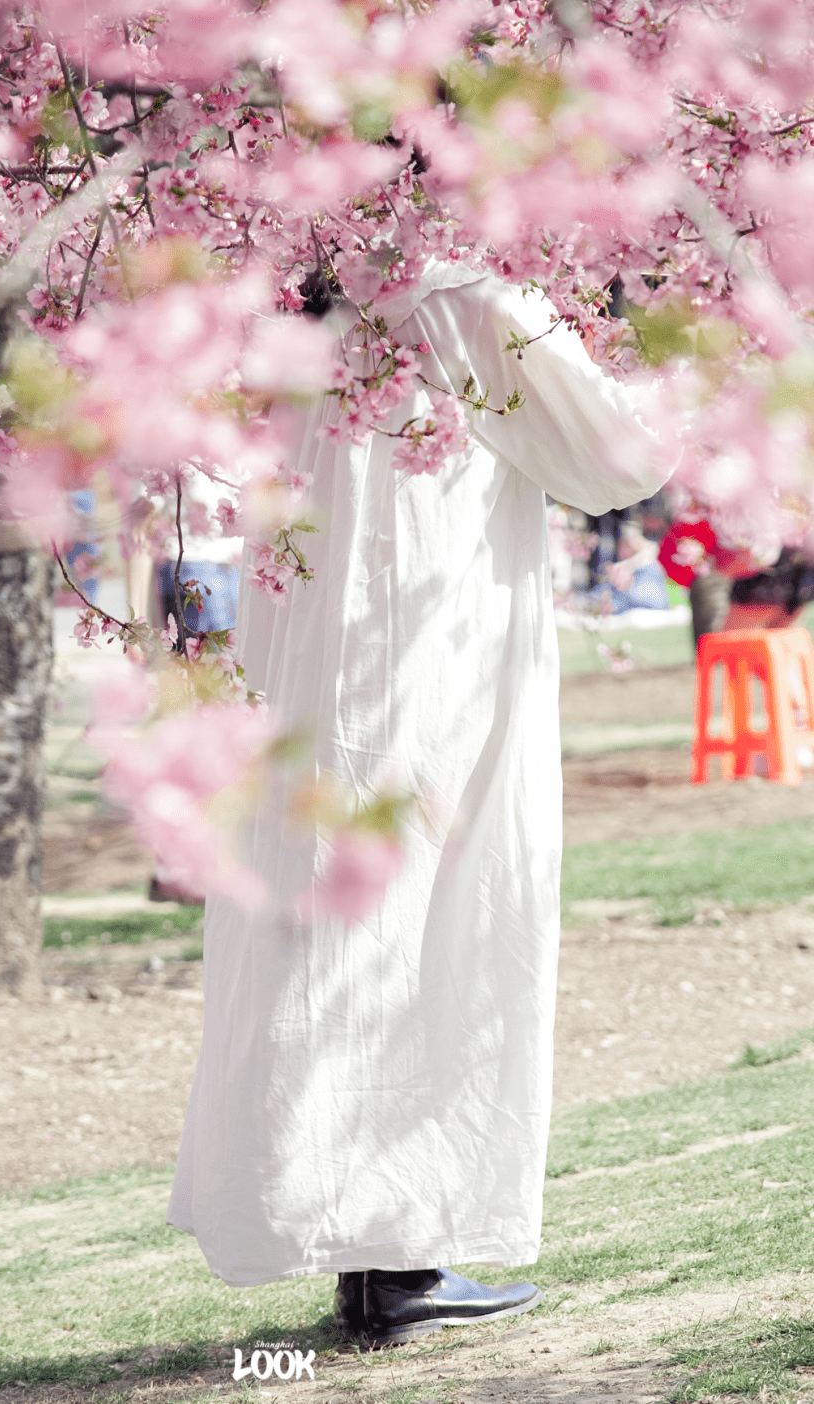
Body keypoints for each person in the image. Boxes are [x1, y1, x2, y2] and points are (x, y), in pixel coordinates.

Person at [167, 262, 678, 1347]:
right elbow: (616, 458)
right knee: (426, 928)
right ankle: (393, 1262)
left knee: (337, 932)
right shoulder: (464, 298)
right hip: (422, 661)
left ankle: (374, 1256)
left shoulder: (293, 303)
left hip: (312, 672)